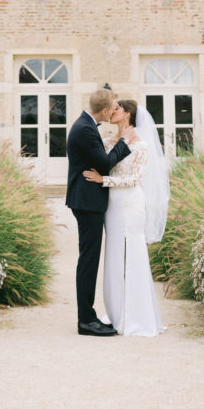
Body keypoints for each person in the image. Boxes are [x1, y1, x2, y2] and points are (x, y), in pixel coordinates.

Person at [83, 98, 169, 337]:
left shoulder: (141, 144)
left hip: (130, 204)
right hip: (111, 206)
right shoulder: (110, 141)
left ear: (128, 114)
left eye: (117, 109)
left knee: (132, 255)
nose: (112, 111)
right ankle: (116, 313)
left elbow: (134, 179)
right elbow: (104, 163)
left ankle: (137, 316)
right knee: (113, 256)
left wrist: (104, 181)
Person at [65, 88, 132, 337]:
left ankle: (88, 316)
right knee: (88, 261)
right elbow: (104, 163)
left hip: (87, 200)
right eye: (112, 107)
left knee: (89, 259)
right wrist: (124, 141)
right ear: (104, 111)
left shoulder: (85, 125)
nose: (114, 110)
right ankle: (86, 320)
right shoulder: (84, 129)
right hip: (87, 202)